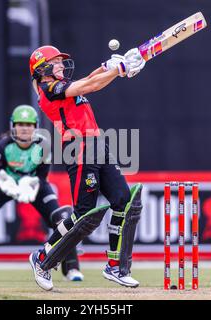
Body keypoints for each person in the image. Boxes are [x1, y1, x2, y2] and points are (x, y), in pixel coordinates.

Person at [27, 45, 146, 291]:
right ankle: (43, 258)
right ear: (43, 69)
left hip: (98, 145)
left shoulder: (63, 87)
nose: (61, 65)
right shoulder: (49, 90)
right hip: (78, 149)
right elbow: (90, 86)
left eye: (61, 61)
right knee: (83, 214)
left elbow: (89, 80)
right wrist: (119, 71)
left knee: (124, 201)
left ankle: (116, 267)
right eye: (56, 62)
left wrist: (107, 67)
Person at [0, 104, 84, 282]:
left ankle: (71, 268)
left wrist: (31, 184)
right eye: (20, 124)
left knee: (62, 217)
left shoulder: (43, 146)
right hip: (7, 185)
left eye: (28, 124)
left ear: (35, 126)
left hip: (34, 185)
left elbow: (42, 177)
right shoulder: (3, 146)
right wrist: (6, 182)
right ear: (13, 126)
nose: (24, 128)